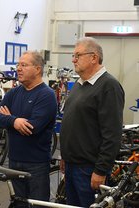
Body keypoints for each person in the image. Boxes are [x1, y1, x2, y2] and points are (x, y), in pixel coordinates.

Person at [60, 37, 125, 207]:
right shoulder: (80, 84)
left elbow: (112, 134)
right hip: (72, 166)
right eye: (73, 56)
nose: (73, 60)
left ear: (94, 58)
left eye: (78, 55)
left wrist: (100, 170)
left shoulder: (109, 86)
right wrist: (65, 157)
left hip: (89, 169)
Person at [0, 51, 57, 207]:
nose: (18, 69)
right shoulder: (14, 92)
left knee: (38, 205)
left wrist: (7, 119)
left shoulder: (46, 95)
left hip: (36, 165)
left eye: (24, 65)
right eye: (18, 65)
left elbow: (31, 128)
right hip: (14, 161)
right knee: (18, 204)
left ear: (38, 69)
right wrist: (14, 121)